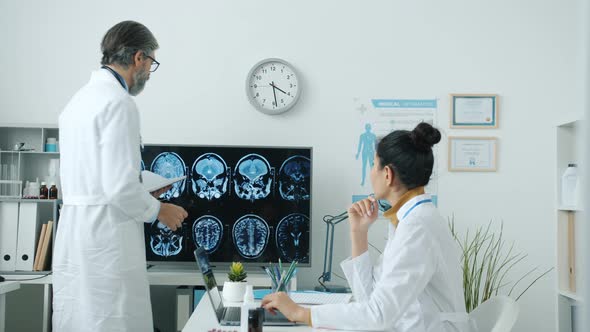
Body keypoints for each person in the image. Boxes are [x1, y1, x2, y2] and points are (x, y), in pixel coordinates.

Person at [262, 122, 468, 331]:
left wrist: (301, 313)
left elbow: (376, 316)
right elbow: (368, 300)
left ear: (387, 174)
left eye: (373, 164)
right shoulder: (409, 220)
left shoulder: (417, 226)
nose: (371, 173)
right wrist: (358, 232)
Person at [53, 21, 188, 332]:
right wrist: (159, 210)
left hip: (76, 232)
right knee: (113, 319)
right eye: (152, 63)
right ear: (139, 58)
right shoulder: (120, 103)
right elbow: (117, 187)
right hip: (106, 237)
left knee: (79, 318)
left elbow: (96, 175)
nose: (149, 73)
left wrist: (140, 190)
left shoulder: (77, 102)